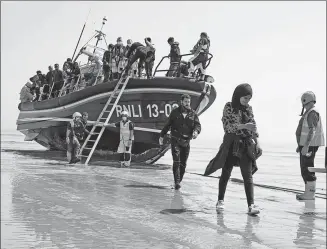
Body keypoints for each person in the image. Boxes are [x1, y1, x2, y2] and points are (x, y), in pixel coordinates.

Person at [203, 83, 262, 215]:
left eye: (249, 99)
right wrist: (243, 126)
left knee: (248, 175)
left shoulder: (249, 109)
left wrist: (257, 142)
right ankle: (220, 200)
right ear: (238, 95)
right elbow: (227, 126)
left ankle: (251, 205)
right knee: (226, 172)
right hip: (231, 143)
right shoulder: (228, 106)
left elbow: (253, 126)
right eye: (245, 98)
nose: (247, 101)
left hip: (246, 144)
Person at [159, 94, 201, 190]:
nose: (187, 104)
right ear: (181, 102)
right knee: (176, 161)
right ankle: (177, 182)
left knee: (183, 164)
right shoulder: (175, 113)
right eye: (186, 102)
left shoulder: (193, 114)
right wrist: (162, 135)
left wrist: (196, 132)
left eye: (189, 102)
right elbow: (167, 125)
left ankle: (178, 182)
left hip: (186, 142)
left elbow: (198, 125)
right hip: (175, 140)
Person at [295, 91, 325, 200]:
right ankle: (308, 192)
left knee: (307, 168)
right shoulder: (309, 112)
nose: (304, 105)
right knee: (304, 168)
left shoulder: (312, 113)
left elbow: (312, 131)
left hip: (310, 145)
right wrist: (301, 145)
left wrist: (306, 146)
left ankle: (310, 194)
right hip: (306, 145)